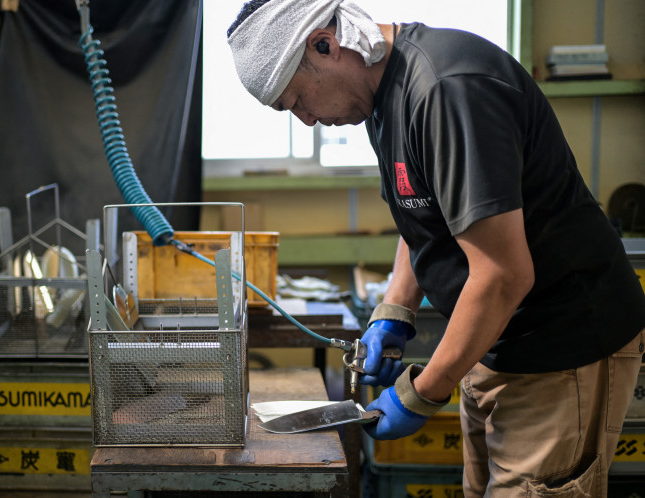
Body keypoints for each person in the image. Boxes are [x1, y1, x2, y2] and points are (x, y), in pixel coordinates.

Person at [227, 0, 645, 496]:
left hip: (561, 349)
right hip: (494, 341)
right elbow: (424, 219)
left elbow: (503, 275)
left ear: (325, 44)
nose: (308, 121)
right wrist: (395, 310)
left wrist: (421, 393)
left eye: (297, 100)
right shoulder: (382, 102)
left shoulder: (447, 91)